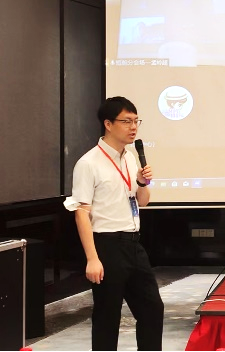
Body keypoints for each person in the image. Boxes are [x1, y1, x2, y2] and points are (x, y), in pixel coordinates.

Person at [63, 96, 164, 351]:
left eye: (136, 121)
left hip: (134, 245)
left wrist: (142, 182)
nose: (133, 127)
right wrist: (92, 259)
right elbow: (81, 213)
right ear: (108, 124)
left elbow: (142, 202)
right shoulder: (88, 163)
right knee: (107, 317)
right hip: (106, 246)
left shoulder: (130, 158)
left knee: (152, 309)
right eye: (126, 121)